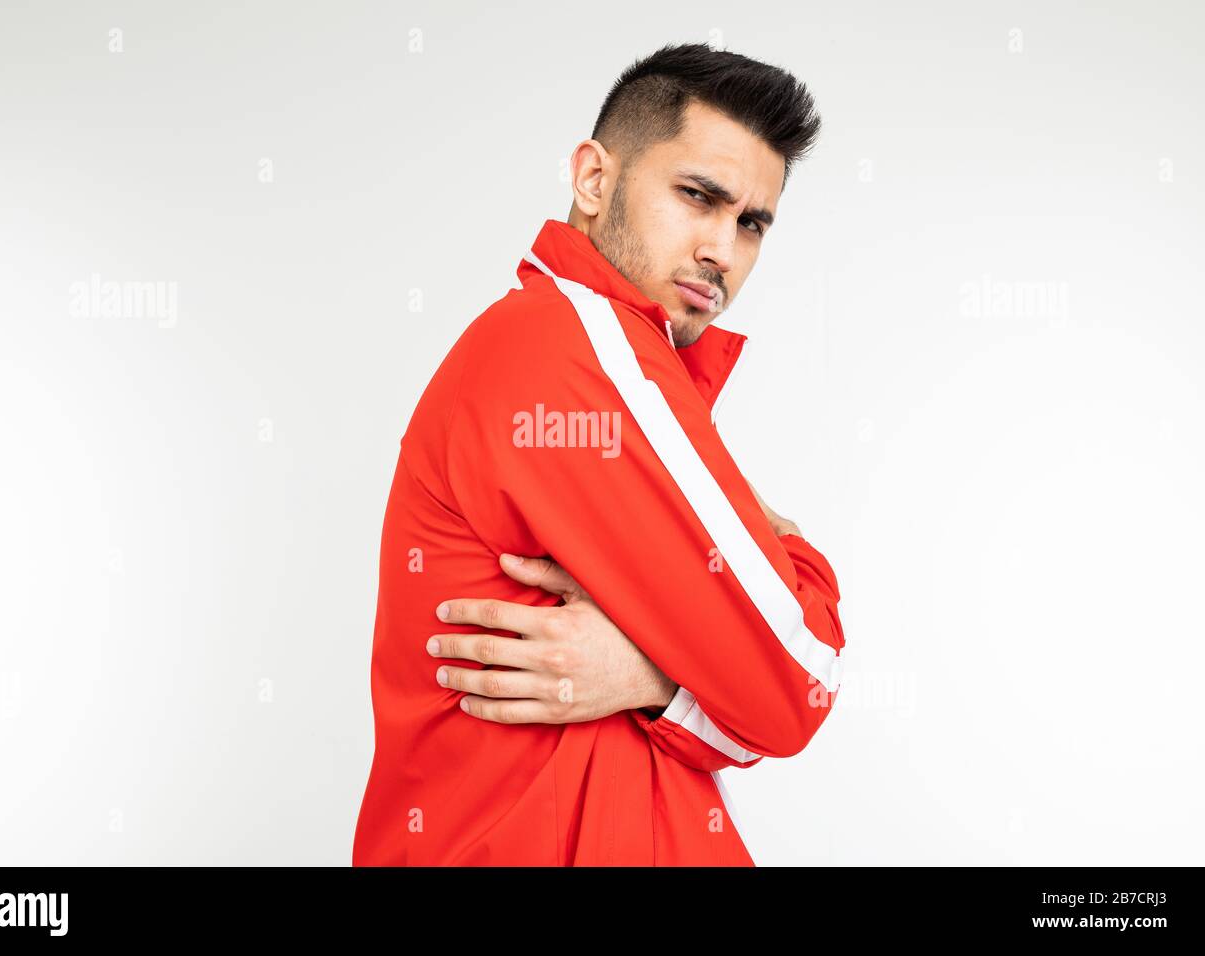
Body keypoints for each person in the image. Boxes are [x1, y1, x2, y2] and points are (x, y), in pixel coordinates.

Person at [352, 41, 846, 866]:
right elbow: (805, 675)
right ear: (593, 178)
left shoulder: (566, 350)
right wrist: (782, 543)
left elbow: (763, 708)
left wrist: (652, 679)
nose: (722, 250)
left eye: (751, 222)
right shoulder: (577, 348)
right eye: (697, 196)